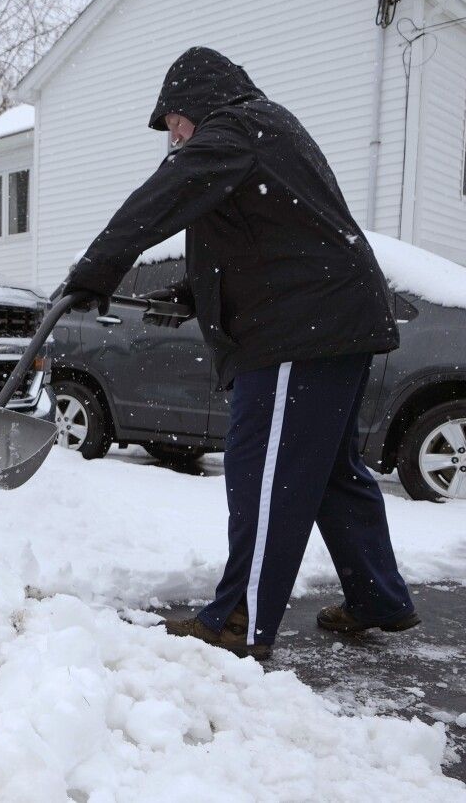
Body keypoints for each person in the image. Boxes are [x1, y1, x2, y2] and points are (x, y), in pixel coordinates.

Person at [58, 47, 419, 661]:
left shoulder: (238, 128)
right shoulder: (261, 135)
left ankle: (239, 621)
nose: (173, 137)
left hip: (300, 333)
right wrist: (192, 294)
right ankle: (377, 597)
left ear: (199, 100)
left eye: (174, 121)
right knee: (331, 474)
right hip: (332, 324)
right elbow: (263, 239)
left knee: (267, 474)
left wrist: (96, 267)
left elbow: (163, 198)